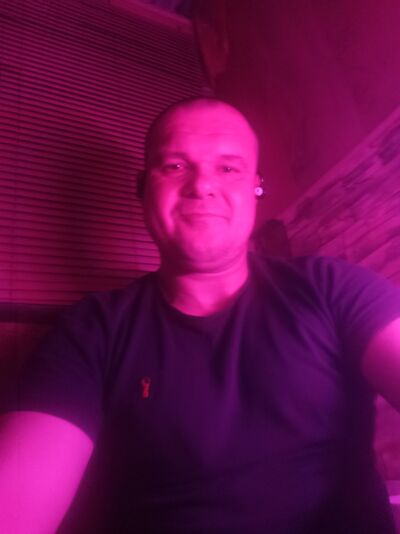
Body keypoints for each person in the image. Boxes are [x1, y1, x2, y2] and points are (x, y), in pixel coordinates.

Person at [1, 97, 400, 533]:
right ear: (143, 187)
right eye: (175, 166)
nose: (202, 185)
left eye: (228, 168)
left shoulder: (334, 289)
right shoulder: (88, 333)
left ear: (255, 187)